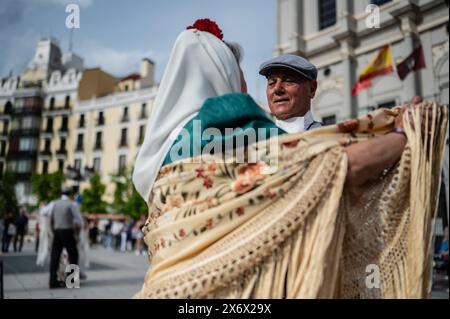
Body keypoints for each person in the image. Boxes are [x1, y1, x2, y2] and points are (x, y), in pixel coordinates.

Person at [132, 20, 447, 299]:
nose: (273, 89)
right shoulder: (236, 121)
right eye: (267, 81)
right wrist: (404, 133)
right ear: (223, 71)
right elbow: (334, 167)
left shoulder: (156, 154)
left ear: (312, 89)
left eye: (288, 81)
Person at [48, 186, 80, 289]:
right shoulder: (72, 204)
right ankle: (71, 281)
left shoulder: (54, 203)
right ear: (70, 194)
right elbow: (78, 219)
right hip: (68, 231)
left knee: (55, 256)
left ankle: (53, 281)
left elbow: (44, 212)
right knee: (73, 254)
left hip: (57, 231)